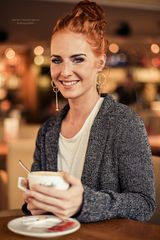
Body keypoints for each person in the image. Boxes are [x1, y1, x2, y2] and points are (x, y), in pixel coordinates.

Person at [22, 0, 155, 223]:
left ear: (100, 62)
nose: (65, 71)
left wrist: (85, 202)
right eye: (57, 60)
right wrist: (34, 204)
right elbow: (39, 205)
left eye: (78, 59)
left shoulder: (125, 123)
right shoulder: (47, 131)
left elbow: (144, 204)